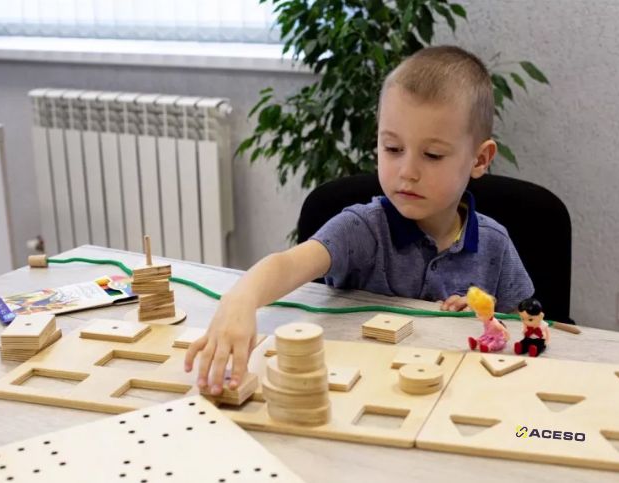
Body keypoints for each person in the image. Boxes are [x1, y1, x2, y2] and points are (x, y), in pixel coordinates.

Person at [185, 45, 534, 395]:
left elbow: (529, 330)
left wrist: (487, 320)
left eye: (432, 155)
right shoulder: (362, 229)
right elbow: (288, 265)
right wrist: (240, 300)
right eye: (392, 149)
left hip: (454, 393)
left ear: (479, 159)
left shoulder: (495, 244)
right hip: (359, 390)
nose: (407, 171)